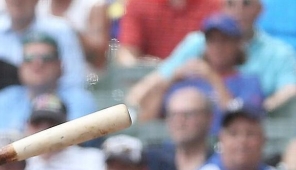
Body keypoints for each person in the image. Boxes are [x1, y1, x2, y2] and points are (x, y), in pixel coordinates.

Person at [136, 0, 296, 113]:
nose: (239, 9)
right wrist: (171, 80)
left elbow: (289, 89)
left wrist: (259, 111)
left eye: (246, 3)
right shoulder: (195, 43)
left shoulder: (274, 57)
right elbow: (156, 81)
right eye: (231, 3)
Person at [0, 31, 95, 146]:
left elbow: (78, 139)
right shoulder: (7, 97)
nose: (37, 64)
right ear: (20, 67)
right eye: (29, 59)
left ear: (60, 66)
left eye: (46, 58)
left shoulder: (79, 99)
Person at [130, 14, 264, 125]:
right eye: (212, 40)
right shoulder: (187, 82)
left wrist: (212, 77)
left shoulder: (249, 82)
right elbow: (147, 121)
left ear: (237, 44)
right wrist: (170, 81)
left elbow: (238, 121)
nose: (218, 47)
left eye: (224, 40)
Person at [16, 94, 108, 170]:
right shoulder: (16, 167)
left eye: (52, 124)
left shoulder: (94, 160)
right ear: (27, 127)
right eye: (37, 123)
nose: (44, 131)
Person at [0, 0, 88, 92]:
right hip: (3, 109)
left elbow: (75, 82)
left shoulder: (61, 29)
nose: (17, 1)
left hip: (56, 106)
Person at [115, 0, 220, 65]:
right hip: (150, 80)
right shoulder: (139, 4)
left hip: (198, 80)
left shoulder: (214, 5)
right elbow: (126, 52)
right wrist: (139, 65)